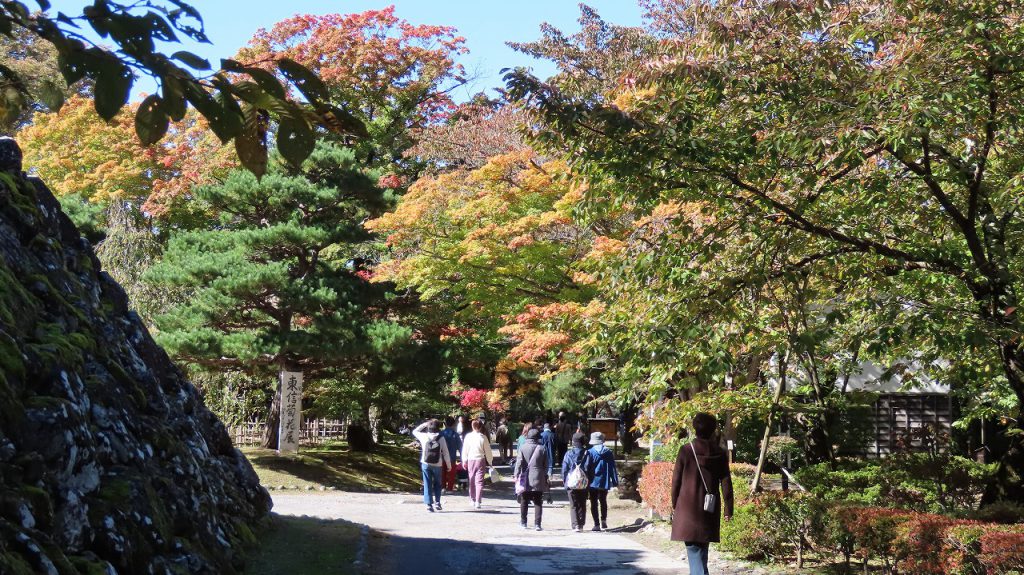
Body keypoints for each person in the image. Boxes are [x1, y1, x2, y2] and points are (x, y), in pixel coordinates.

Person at [670, 412, 734, 575]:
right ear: (713, 430)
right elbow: (726, 481)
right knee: (701, 551)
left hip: (687, 508)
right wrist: (728, 508)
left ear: (695, 428)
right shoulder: (720, 453)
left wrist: (674, 505)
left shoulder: (686, 450)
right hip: (709, 509)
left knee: (694, 551)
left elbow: (676, 481)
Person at [513, 428, 549, 530]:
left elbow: (519, 463)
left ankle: (523, 522)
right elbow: (546, 465)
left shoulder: (523, 448)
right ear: (537, 438)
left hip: (526, 478)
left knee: (524, 500)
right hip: (539, 477)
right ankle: (537, 524)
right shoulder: (542, 448)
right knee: (538, 501)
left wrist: (516, 475)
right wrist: (545, 475)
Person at [413, 419, 452, 512]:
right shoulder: (441, 438)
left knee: (427, 483)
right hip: (438, 464)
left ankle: (429, 505)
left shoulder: (423, 436)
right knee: (438, 483)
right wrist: (449, 465)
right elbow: (446, 452)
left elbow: (414, 431)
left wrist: (424, 424)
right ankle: (437, 502)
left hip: (425, 463)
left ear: (428, 427)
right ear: (438, 428)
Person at [585, 431, 618, 531]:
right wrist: (615, 481)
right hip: (604, 480)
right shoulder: (609, 452)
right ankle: (604, 520)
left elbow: (586, 467)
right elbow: (612, 467)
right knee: (603, 500)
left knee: (593, 502)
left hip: (593, 481)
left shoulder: (590, 452)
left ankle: (596, 524)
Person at [562, 432, 592, 532]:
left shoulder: (568, 454)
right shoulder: (587, 453)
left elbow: (564, 470)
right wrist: (589, 482)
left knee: (573, 504)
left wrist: (565, 482)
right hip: (583, 482)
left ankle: (575, 525)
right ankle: (581, 524)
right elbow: (591, 470)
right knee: (582, 503)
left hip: (571, 482)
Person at [462, 419, 493, 508]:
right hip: (480, 460)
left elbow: (465, 449)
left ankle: (472, 499)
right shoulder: (483, 437)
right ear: (480, 427)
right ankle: (478, 501)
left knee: (471, 479)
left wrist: (464, 460)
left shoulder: (468, 436)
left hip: (471, 459)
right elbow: (488, 451)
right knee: (479, 481)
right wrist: (490, 461)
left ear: (472, 426)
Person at [439, 416, 462, 492]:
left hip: (441, 457)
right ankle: (450, 488)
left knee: (442, 473)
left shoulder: (441, 434)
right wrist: (462, 458)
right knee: (451, 473)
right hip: (452, 457)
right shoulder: (455, 435)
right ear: (454, 424)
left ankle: (443, 487)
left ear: (445, 423)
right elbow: (460, 447)